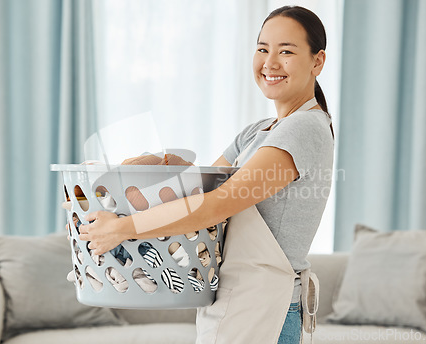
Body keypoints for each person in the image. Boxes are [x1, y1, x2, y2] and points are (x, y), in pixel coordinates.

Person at [78, 5, 334, 344]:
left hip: (263, 308)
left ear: (317, 61)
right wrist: (120, 182)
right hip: (237, 300)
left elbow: (216, 205)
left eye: (286, 51)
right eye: (262, 49)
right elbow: (194, 187)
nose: (270, 63)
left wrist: (122, 229)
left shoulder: (303, 128)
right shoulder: (259, 131)